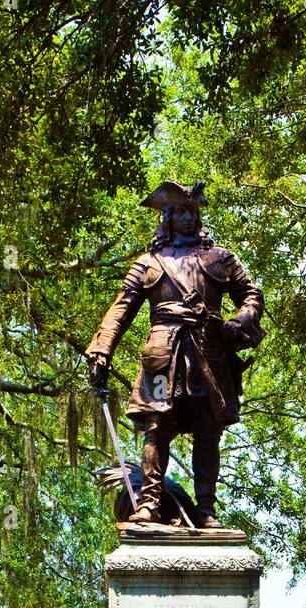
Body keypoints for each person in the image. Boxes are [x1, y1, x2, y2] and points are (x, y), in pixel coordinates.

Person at [87, 180, 264, 528]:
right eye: (180, 211)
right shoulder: (148, 263)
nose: (187, 218)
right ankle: (149, 504)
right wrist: (101, 349)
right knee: (157, 426)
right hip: (161, 352)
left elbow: (251, 295)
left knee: (208, 428)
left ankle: (206, 509)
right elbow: (121, 310)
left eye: (192, 211)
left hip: (209, 351)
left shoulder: (221, 258)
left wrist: (240, 320)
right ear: (167, 216)